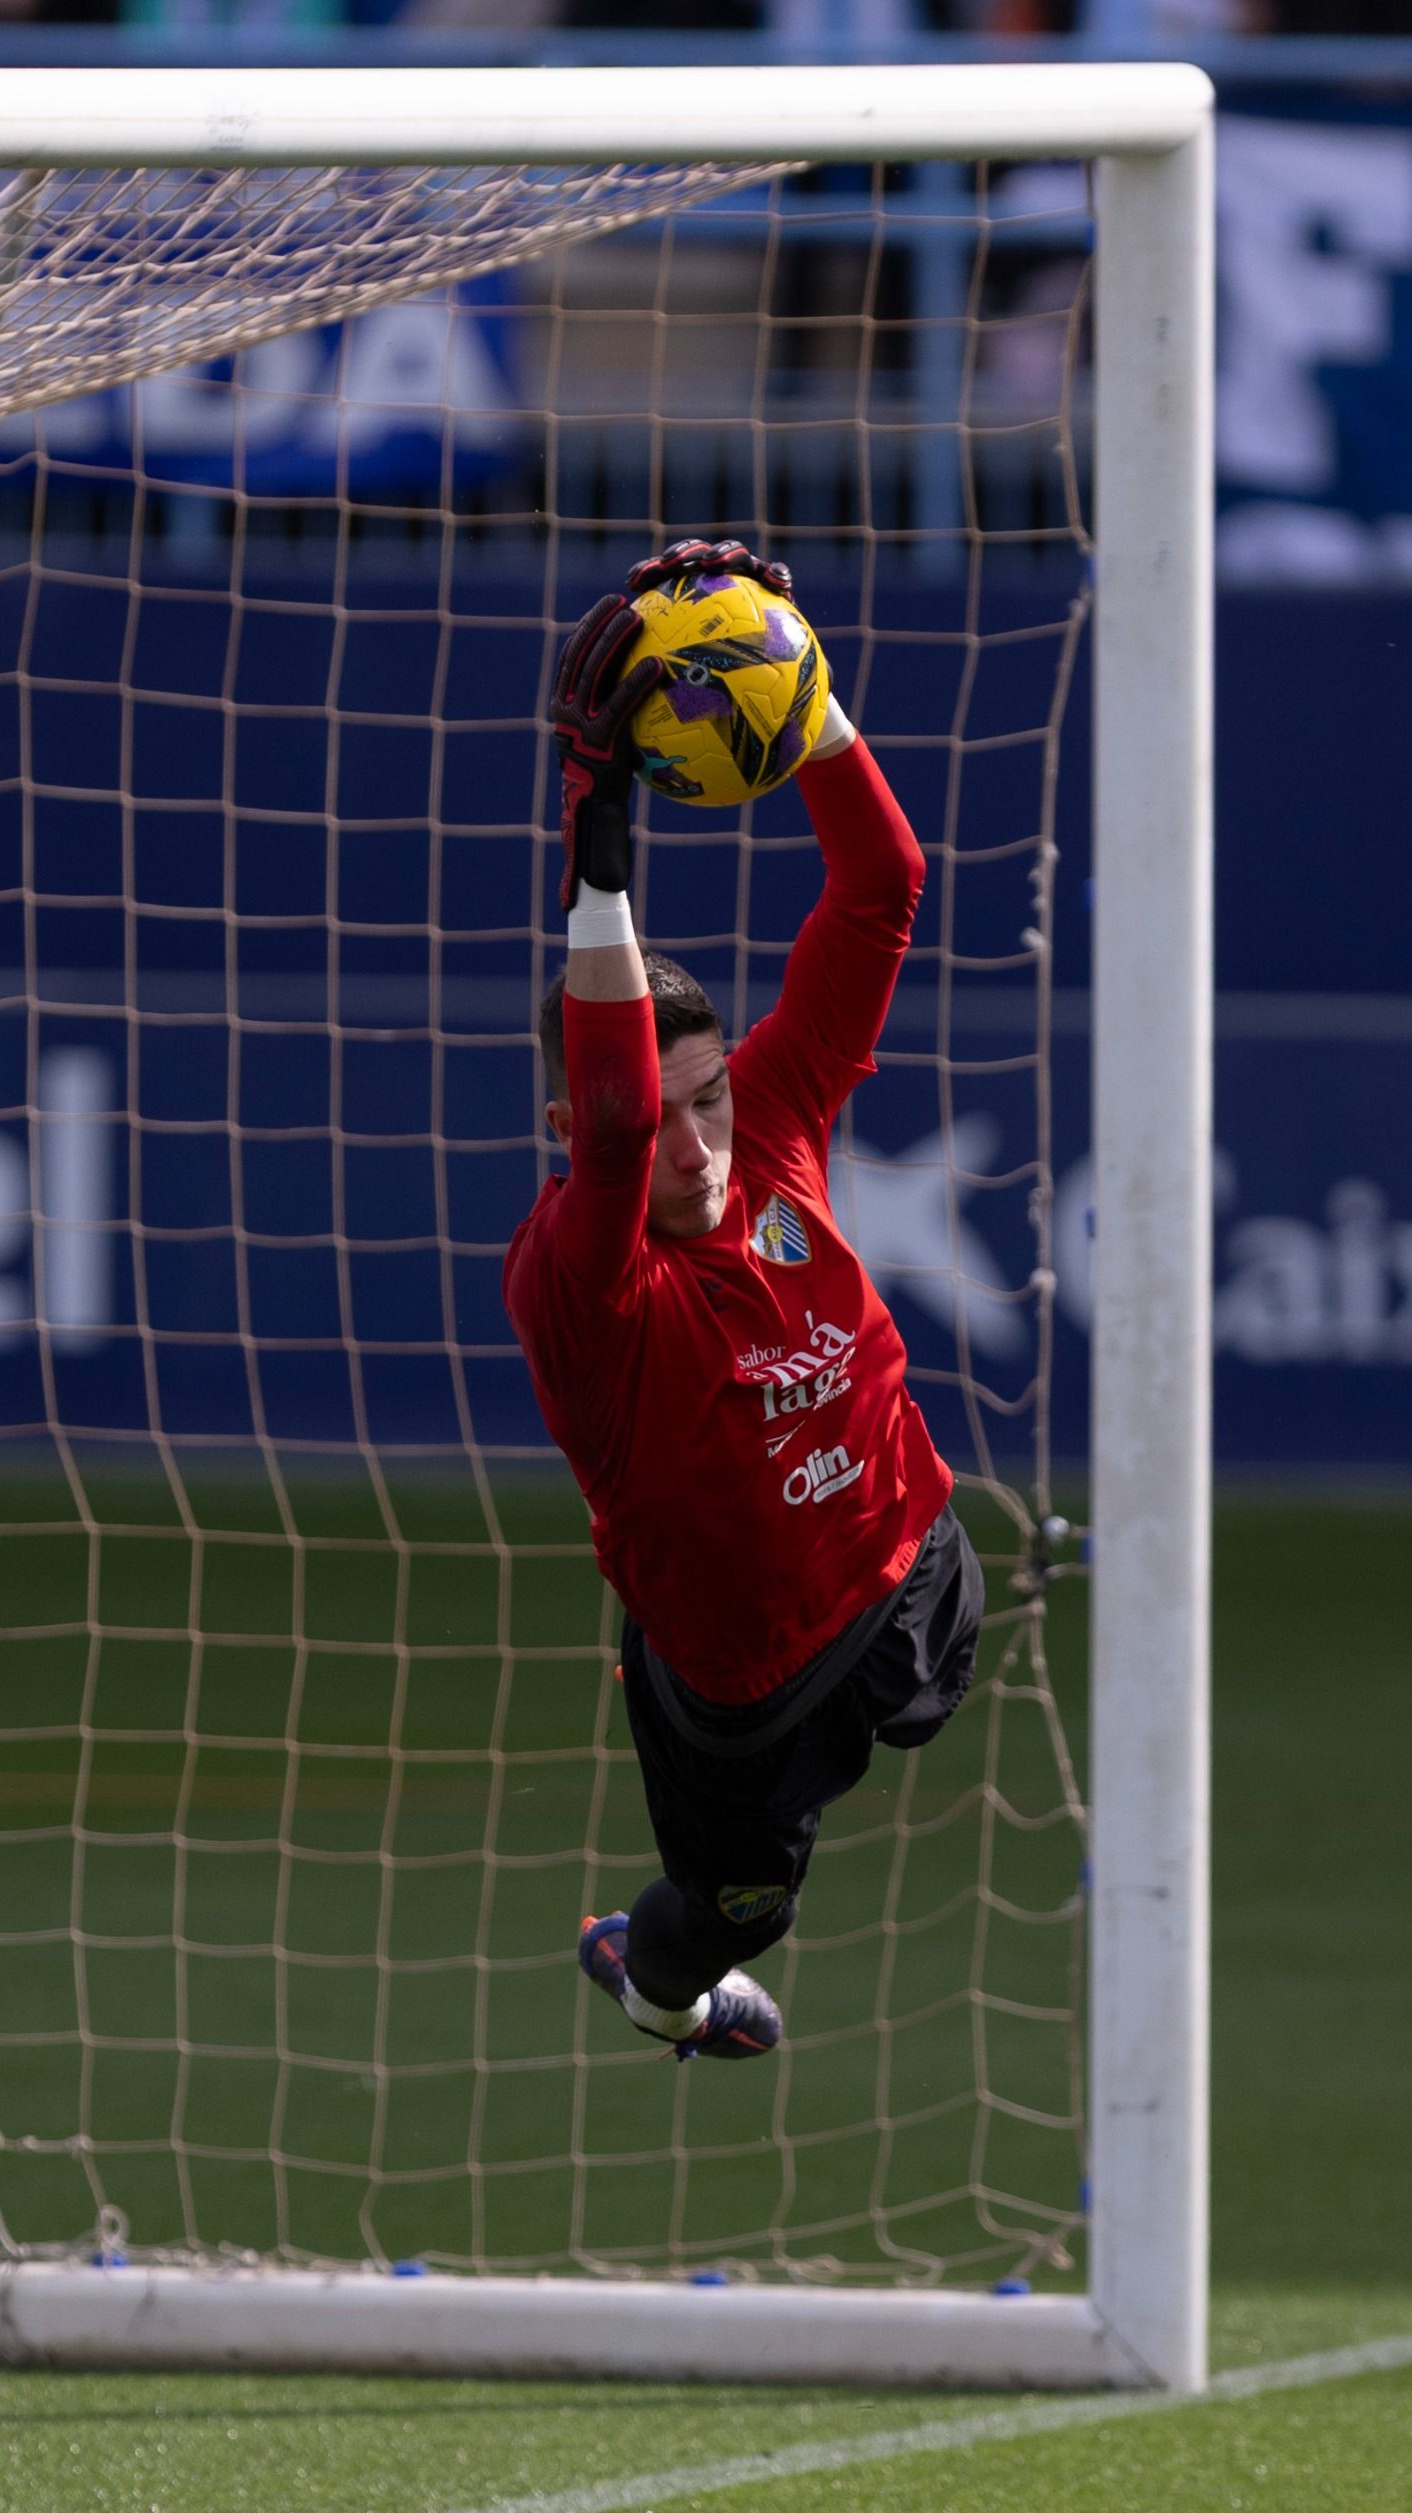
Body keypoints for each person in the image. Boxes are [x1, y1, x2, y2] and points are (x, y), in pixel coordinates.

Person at [502, 538, 984, 2063]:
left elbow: (883, 885)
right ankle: (650, 1986)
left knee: (936, 1691)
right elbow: (626, 1118)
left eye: (710, 1101)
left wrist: (797, 679)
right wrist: (598, 815)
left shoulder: (769, 1122)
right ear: (578, 1137)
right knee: (725, 1920)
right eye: (664, 1115)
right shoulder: (584, 1280)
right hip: (742, 1687)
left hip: (908, 1560)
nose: (701, 1143)